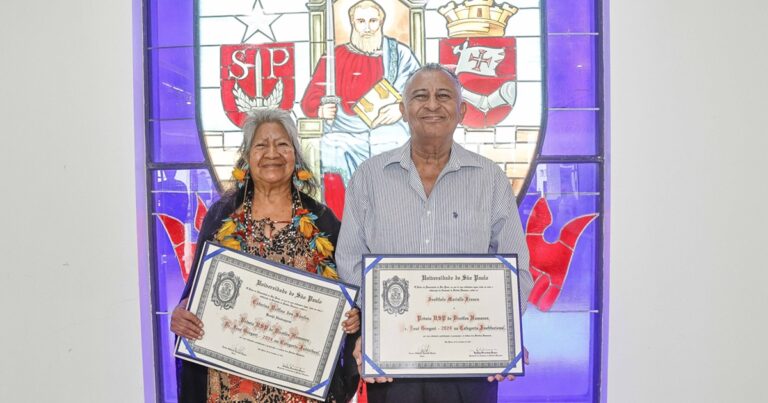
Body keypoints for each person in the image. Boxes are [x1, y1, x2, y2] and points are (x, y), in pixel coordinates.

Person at [335, 64, 534, 403]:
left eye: (444, 96)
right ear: (402, 110)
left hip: (471, 363)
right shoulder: (369, 176)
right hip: (391, 363)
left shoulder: (490, 179)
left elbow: (516, 269)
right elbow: (350, 261)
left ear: (462, 110)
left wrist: (504, 335)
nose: (431, 105)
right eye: (419, 96)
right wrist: (375, 330)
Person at [170, 109, 360, 403]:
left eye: (282, 144)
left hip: (299, 386)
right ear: (246, 156)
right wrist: (183, 312)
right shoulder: (222, 218)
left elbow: (348, 297)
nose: (272, 153)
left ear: (296, 155)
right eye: (261, 145)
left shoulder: (323, 222)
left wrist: (352, 318)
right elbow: (195, 293)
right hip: (229, 384)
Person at [300, 0, 420, 182]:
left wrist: (401, 108)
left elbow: (421, 92)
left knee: (395, 143)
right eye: (361, 21)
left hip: (388, 127)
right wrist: (320, 110)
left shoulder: (399, 54)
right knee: (332, 148)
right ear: (352, 23)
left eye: (372, 21)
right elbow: (311, 97)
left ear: (381, 22)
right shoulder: (335, 56)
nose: (367, 27)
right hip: (344, 130)